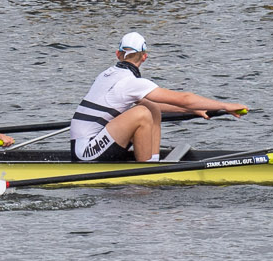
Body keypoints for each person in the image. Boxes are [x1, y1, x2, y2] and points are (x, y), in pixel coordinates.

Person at [69, 31, 246, 163]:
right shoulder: (130, 82)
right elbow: (184, 97)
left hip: (89, 143)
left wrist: (194, 109)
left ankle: (152, 160)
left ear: (118, 54)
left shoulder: (107, 74)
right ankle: (148, 169)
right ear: (144, 57)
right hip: (85, 152)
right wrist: (225, 105)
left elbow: (165, 104)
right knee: (142, 113)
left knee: (151, 107)